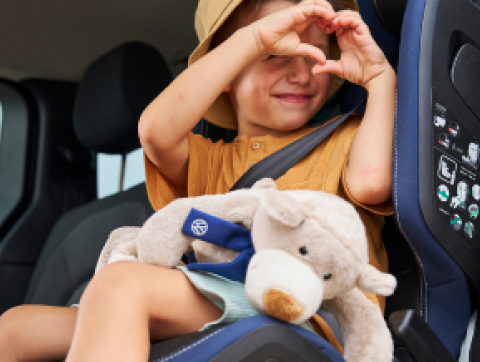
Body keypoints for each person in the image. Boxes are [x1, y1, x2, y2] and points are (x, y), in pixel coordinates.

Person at [0, 0, 396, 361]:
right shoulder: (211, 159)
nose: (301, 73)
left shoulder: (346, 138)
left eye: (316, 55)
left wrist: (379, 77)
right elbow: (155, 132)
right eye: (275, 55)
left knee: (122, 284)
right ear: (225, 69)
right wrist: (252, 38)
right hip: (223, 292)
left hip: (306, 305)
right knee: (14, 328)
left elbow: (371, 182)